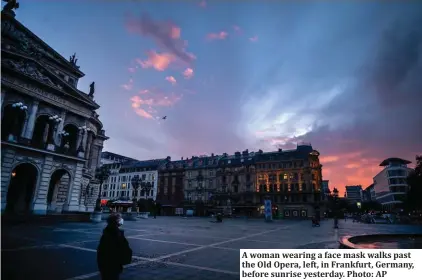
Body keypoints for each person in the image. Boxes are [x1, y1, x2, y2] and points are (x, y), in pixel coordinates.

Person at [97, 213, 132, 280]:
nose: (121, 220)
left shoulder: (106, 232)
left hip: (104, 265)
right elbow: (125, 249)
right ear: (116, 221)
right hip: (113, 265)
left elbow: (100, 250)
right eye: (119, 219)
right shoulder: (117, 234)